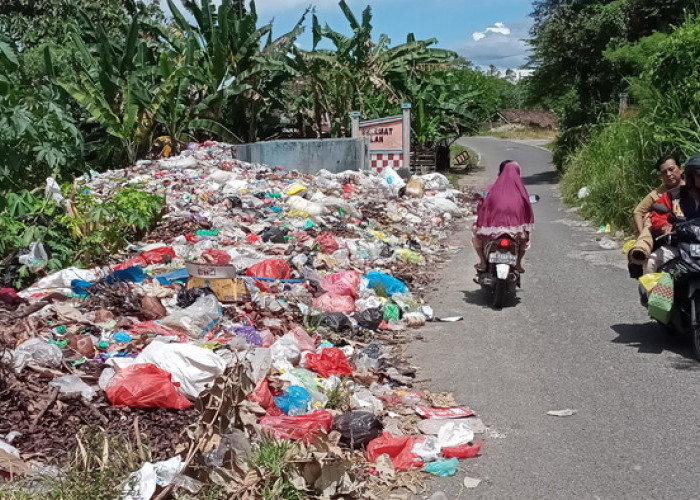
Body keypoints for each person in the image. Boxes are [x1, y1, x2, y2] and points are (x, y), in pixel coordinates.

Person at [472, 161, 534, 273]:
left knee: (475, 232)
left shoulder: (491, 189)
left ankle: (482, 262)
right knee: (525, 240)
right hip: (515, 233)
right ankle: (518, 264)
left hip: (492, 231)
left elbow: (482, 203)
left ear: (500, 173)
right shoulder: (521, 191)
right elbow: (527, 210)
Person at [628, 155, 683, 277]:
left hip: (692, 238)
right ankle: (642, 246)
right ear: (661, 176)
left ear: (681, 169)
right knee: (649, 218)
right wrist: (644, 232)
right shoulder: (662, 196)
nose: (669, 174)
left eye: (671, 169)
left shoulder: (692, 189)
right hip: (667, 236)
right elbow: (639, 212)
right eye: (664, 172)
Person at [648, 154, 700, 272]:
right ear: (691, 177)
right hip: (679, 247)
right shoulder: (672, 196)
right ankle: (652, 290)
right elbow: (657, 217)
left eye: (671, 169)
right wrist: (665, 225)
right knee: (652, 262)